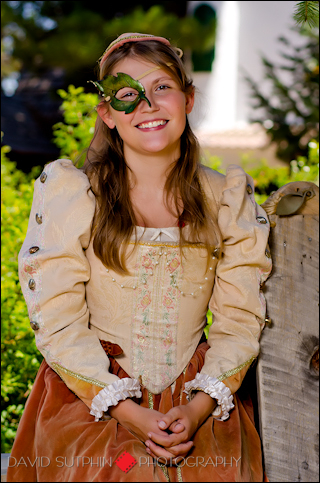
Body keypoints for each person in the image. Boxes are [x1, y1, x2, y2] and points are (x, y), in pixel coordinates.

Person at [7, 32, 272, 482]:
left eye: (162, 88)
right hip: (93, 397)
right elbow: (58, 317)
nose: (147, 105)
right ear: (107, 114)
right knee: (126, 471)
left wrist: (198, 406)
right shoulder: (76, 194)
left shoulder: (225, 200)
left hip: (197, 398)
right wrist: (128, 411)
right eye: (128, 94)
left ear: (188, 100)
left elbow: (239, 317)